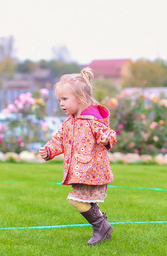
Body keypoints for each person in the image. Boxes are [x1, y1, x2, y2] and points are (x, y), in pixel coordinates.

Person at [39, 67, 117, 246]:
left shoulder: (92, 122)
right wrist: (49, 151)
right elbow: (58, 141)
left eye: (65, 99)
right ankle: (102, 228)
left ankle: (101, 226)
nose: (61, 104)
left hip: (93, 173)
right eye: (59, 100)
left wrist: (106, 139)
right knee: (86, 201)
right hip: (79, 173)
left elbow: (109, 134)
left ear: (81, 98)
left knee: (75, 199)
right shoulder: (69, 124)